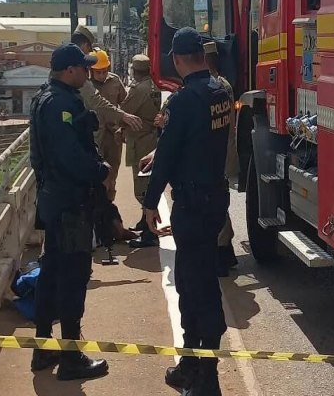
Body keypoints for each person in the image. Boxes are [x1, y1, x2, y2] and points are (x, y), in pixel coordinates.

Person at [143, 27, 231, 395]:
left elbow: (168, 158)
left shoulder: (183, 101)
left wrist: (149, 203)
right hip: (215, 199)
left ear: (178, 61)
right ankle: (190, 365)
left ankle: (205, 377)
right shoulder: (221, 92)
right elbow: (190, 145)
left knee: (196, 288)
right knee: (197, 281)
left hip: (193, 205)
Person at [29, 43, 109, 380]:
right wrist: (99, 170)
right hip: (69, 204)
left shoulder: (44, 97)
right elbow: (69, 157)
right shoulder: (61, 103)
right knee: (73, 279)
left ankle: (43, 348)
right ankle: (71, 358)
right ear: (69, 71)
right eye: (84, 68)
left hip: (54, 201)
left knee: (50, 274)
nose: (88, 73)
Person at [71, 25, 138, 243]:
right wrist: (123, 116)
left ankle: (107, 226)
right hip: (91, 140)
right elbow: (97, 102)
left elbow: (122, 100)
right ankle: (99, 230)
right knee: (94, 185)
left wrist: (121, 121)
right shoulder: (81, 81)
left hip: (112, 139)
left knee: (110, 181)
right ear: (84, 46)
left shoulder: (113, 81)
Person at [117, 54, 162, 248]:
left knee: (141, 187)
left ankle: (149, 232)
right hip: (151, 138)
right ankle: (145, 222)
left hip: (140, 140)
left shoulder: (138, 89)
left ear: (134, 71)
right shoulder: (154, 87)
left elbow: (124, 112)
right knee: (147, 182)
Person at [203, 42, 239, 277]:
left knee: (215, 205)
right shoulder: (222, 84)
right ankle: (226, 252)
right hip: (223, 151)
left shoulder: (214, 86)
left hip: (217, 154)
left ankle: (222, 252)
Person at [89, 48, 127, 202]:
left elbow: (125, 103)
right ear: (91, 71)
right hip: (94, 137)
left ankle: (109, 206)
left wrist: (121, 126)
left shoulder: (115, 81)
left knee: (112, 173)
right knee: (96, 175)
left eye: (105, 71)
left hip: (113, 137)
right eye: (98, 72)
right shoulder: (85, 86)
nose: (102, 74)